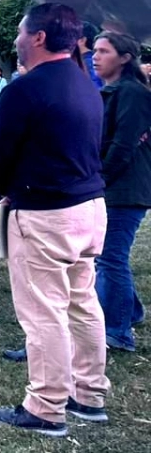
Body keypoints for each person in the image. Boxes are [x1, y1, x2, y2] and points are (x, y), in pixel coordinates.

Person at [0, 3, 109, 436]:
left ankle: (46, 406)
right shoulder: (84, 81)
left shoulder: (26, 88)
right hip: (89, 206)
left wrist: (6, 191)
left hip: (45, 210)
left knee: (44, 313)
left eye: (20, 32)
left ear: (37, 37)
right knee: (82, 302)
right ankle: (89, 394)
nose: (16, 40)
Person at [92, 31, 151, 352]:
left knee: (110, 257)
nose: (96, 57)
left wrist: (98, 180)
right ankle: (130, 310)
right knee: (110, 256)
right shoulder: (114, 90)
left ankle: (117, 330)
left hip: (125, 188)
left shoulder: (132, 92)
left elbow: (123, 145)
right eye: (96, 51)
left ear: (125, 57)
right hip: (116, 185)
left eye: (104, 51)